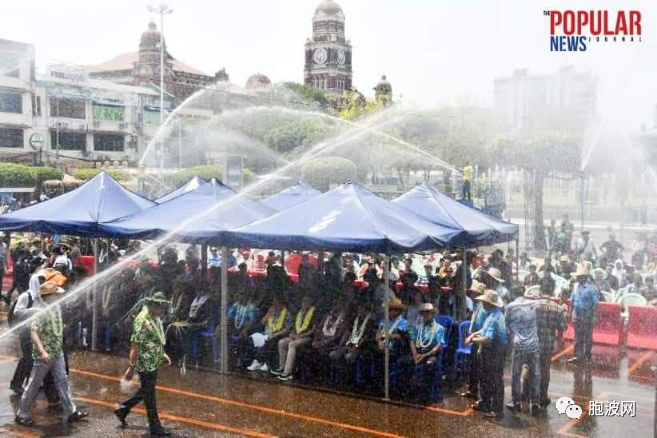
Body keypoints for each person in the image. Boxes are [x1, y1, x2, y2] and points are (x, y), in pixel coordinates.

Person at [15, 282, 89, 426]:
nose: (58, 296)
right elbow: (33, 332)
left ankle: (71, 412)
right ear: (48, 296)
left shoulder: (56, 308)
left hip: (57, 351)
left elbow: (57, 326)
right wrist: (42, 351)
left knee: (62, 381)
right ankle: (22, 414)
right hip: (45, 355)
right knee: (34, 385)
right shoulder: (40, 311)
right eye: (55, 294)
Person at [115, 292, 172, 437]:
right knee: (150, 395)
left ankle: (124, 409)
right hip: (144, 363)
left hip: (153, 361)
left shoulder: (155, 318)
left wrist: (162, 353)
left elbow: (156, 338)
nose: (163, 310)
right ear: (153, 305)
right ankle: (155, 427)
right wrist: (131, 367)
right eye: (161, 307)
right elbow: (135, 345)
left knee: (147, 390)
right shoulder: (142, 320)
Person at [466, 290, 508, 423]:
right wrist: (474, 334)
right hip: (492, 351)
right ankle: (486, 403)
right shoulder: (493, 314)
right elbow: (483, 330)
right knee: (486, 378)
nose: (483, 304)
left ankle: (496, 410)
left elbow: (488, 339)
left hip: (495, 351)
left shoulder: (495, 317)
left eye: (485, 302)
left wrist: (472, 340)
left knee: (494, 380)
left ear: (490, 304)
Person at [531, 276, 566, 408]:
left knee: (531, 369)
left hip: (533, 343)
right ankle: (542, 396)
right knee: (545, 371)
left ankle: (529, 395)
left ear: (540, 290)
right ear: (551, 292)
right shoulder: (557, 308)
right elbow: (562, 327)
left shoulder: (533, 305)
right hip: (547, 344)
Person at [504, 288, 541, 414]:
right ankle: (535, 402)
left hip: (519, 345)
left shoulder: (510, 307)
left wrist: (512, 337)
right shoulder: (533, 305)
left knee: (515, 374)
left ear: (513, 295)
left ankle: (516, 402)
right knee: (535, 374)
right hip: (533, 344)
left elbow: (506, 326)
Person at [272, 296, 317, 381]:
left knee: (292, 344)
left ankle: (288, 372)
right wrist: (292, 334)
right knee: (282, 342)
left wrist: (301, 336)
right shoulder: (299, 313)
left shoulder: (314, 313)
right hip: (297, 336)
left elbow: (313, 330)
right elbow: (294, 327)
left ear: (310, 302)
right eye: (303, 302)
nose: (304, 304)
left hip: (307, 337)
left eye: (306, 301)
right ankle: (282, 366)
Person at [407, 303, 445, 402]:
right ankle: (408, 390)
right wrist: (415, 354)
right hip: (419, 352)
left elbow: (439, 345)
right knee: (403, 361)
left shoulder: (439, 328)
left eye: (428, 313)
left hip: (431, 354)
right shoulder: (417, 327)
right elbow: (412, 341)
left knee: (429, 364)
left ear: (432, 314)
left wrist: (425, 355)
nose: (426, 315)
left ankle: (427, 393)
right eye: (424, 313)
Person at [246, 295, 291, 373]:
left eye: (275, 302)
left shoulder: (287, 313)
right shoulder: (271, 311)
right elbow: (262, 323)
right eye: (273, 302)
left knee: (270, 341)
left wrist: (276, 334)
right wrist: (268, 314)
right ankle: (257, 361)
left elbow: (287, 329)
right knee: (252, 338)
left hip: (277, 334)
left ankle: (264, 362)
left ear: (281, 303)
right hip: (266, 333)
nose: (273, 304)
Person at [460, 280, 487, 400]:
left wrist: (473, 336)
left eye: (474, 293)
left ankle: (478, 392)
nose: (471, 295)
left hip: (480, 340)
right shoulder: (476, 306)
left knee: (478, 367)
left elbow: (483, 327)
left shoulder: (483, 308)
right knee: (474, 366)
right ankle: (472, 389)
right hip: (475, 339)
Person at [329, 301, 373, 374]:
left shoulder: (370, 322)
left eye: (362, 309)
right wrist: (341, 344)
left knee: (348, 357)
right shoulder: (354, 319)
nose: (360, 311)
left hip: (360, 347)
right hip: (349, 344)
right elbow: (347, 332)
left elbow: (366, 337)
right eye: (358, 309)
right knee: (333, 354)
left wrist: (356, 347)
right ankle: (339, 375)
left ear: (366, 311)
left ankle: (349, 378)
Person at [568, 266, 599, 364]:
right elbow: (572, 299)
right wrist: (570, 311)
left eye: (579, 276)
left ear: (585, 277)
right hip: (577, 313)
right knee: (577, 336)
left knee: (588, 336)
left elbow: (595, 304)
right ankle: (577, 356)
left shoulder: (592, 288)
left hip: (587, 314)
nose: (577, 278)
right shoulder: (576, 286)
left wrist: (594, 316)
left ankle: (587, 356)